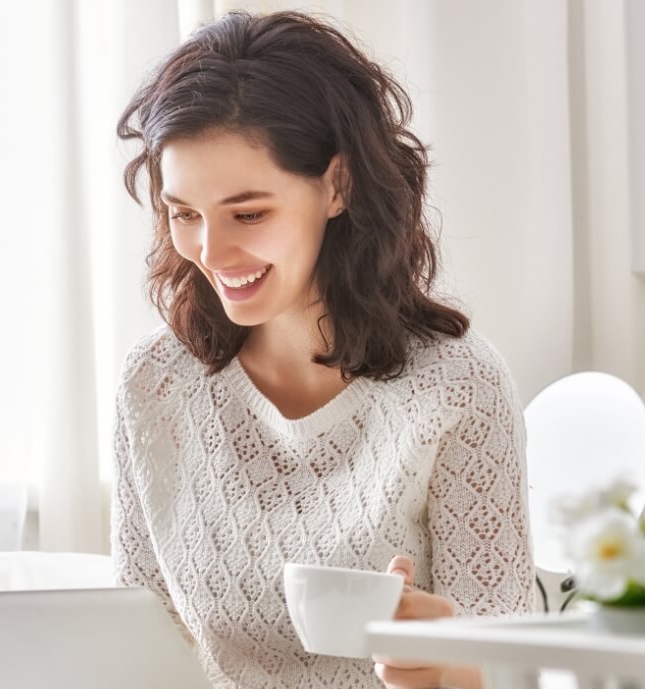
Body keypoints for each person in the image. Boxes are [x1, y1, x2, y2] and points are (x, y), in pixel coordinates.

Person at [111, 10, 535, 689]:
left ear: (336, 186)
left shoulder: (456, 384)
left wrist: (438, 665)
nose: (211, 253)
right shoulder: (155, 384)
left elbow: (510, 669)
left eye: (248, 212)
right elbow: (138, 644)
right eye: (184, 213)